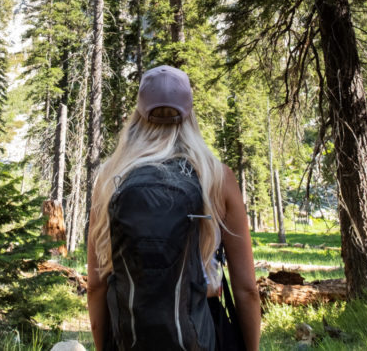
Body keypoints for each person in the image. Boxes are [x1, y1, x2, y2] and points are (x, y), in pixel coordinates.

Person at [87, 65, 261, 351]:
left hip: (130, 334)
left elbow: (96, 286)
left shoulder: (110, 178)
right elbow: (247, 289)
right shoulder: (216, 177)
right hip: (201, 330)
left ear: (139, 115)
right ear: (190, 113)